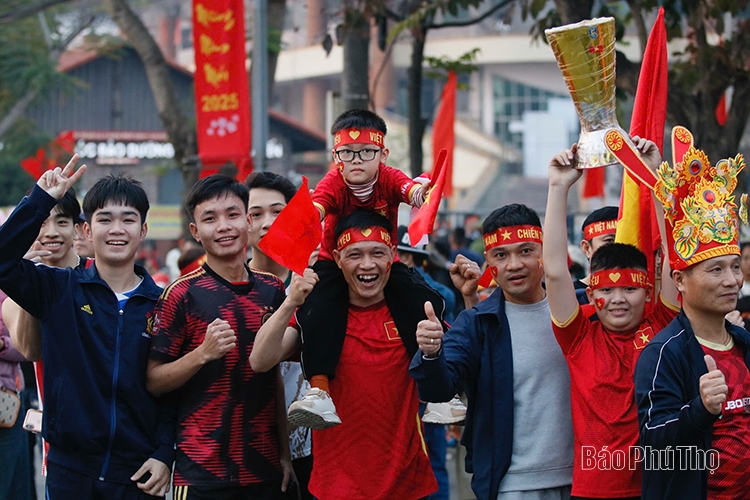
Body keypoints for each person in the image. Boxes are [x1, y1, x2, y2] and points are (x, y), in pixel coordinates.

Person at [0, 155, 174, 499]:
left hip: (139, 473)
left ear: (143, 230)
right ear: (87, 230)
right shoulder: (58, 288)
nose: (117, 229)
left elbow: (171, 388)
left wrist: (164, 453)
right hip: (70, 471)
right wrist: (40, 199)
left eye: (128, 219)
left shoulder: (165, 303)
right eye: (105, 219)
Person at [250, 210, 439, 500]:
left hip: (407, 485)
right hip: (334, 487)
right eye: (354, 255)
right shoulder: (319, 318)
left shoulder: (414, 315)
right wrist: (290, 302)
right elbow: (260, 361)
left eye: (377, 253)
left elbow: (450, 382)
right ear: (337, 259)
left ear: (392, 256)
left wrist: (438, 343)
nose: (367, 264)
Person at [291, 108, 445, 429]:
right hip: (334, 262)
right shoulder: (333, 181)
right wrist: (305, 218)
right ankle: (319, 390)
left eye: (366, 152)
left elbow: (412, 192)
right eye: (347, 153)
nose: (356, 160)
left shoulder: (389, 177)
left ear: (383, 153)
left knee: (427, 301)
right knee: (317, 309)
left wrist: (425, 194)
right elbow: (317, 205)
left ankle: (438, 394)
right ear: (336, 156)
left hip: (386, 261)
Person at [544, 139, 680, 499]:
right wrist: (558, 187)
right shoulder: (578, 335)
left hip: (659, 486)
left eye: (630, 290)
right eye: (606, 291)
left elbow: (675, 260)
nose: (618, 300)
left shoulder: (663, 324)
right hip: (595, 490)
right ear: (591, 294)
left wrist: (654, 178)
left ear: (648, 292)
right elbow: (556, 272)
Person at [410, 203, 574, 500]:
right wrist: (432, 352)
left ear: (544, 251)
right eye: (501, 255)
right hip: (514, 485)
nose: (514, 265)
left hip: (587, 478)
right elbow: (440, 387)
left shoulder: (581, 310)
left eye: (526, 251)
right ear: (488, 262)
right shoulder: (476, 323)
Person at [146, 175, 293, 500]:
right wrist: (202, 354)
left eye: (232, 214)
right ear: (195, 231)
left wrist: (284, 454)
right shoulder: (180, 294)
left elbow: (275, 379)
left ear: (248, 221)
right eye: (210, 218)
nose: (223, 226)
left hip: (264, 469)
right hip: (201, 472)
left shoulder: (273, 289)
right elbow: (154, 381)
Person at [634, 127, 750, 499]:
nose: (732, 280)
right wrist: (699, 409)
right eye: (715, 270)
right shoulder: (663, 353)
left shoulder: (745, 343)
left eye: (735, 266)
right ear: (679, 280)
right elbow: (653, 446)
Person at [244, 171, 314, 500]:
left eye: (278, 212)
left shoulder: (314, 284)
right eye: (255, 214)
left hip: (315, 447)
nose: (267, 222)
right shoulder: (223, 288)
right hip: (246, 449)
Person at [0, 290, 34, 500]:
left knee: (12, 483)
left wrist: (4, 345)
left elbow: (28, 348)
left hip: (6, 406)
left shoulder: (8, 292)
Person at [573, 206, 618, 305]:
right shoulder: (570, 296)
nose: (618, 247)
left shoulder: (641, 294)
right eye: (610, 240)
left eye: (625, 241)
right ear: (587, 248)